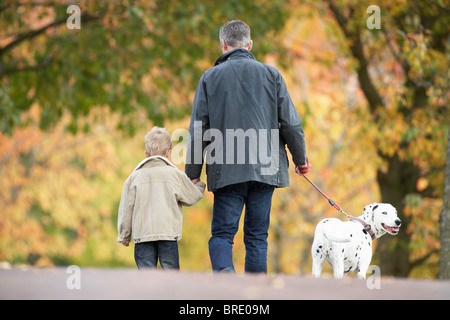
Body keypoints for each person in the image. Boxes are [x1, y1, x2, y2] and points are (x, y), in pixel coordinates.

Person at [185, 20, 310, 273]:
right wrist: (301, 159)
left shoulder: (209, 78)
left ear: (223, 45)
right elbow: (291, 124)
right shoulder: (272, 75)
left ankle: (226, 283)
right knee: (256, 237)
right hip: (265, 167)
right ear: (250, 44)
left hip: (226, 167)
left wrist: (192, 174)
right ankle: (256, 296)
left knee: (222, 234)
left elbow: (198, 129)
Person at [117, 127, 206, 269]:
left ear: (146, 154)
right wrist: (199, 185)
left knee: (146, 275)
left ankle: (149, 292)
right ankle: (170, 292)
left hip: (143, 236)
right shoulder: (175, 175)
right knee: (170, 273)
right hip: (168, 235)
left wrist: (124, 234)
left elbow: (126, 208)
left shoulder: (134, 178)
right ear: (169, 153)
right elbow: (191, 196)